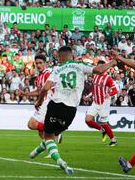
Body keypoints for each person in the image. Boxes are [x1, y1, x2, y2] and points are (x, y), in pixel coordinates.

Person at [32, 46, 116, 174]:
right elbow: (100, 70)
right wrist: (113, 61)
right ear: (71, 55)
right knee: (52, 134)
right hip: (71, 110)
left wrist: (38, 101)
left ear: (60, 57)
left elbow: (45, 88)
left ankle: (58, 159)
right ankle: (36, 151)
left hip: (55, 105)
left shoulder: (57, 68)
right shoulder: (80, 65)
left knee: (48, 135)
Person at [24, 54, 62, 159]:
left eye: (40, 63)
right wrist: (26, 94)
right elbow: (38, 91)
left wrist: (39, 101)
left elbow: (48, 89)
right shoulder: (38, 77)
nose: (38, 65)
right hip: (45, 102)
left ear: (45, 63)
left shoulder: (47, 74)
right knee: (41, 132)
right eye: (36, 63)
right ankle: (52, 150)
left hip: (48, 102)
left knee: (31, 124)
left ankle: (55, 132)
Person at [85, 60, 118, 146]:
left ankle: (113, 140)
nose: (99, 68)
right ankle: (102, 130)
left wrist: (109, 94)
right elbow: (94, 88)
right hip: (95, 102)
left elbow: (115, 90)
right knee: (88, 120)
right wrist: (89, 95)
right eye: (98, 67)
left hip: (104, 102)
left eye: (101, 67)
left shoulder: (108, 78)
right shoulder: (95, 76)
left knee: (103, 122)